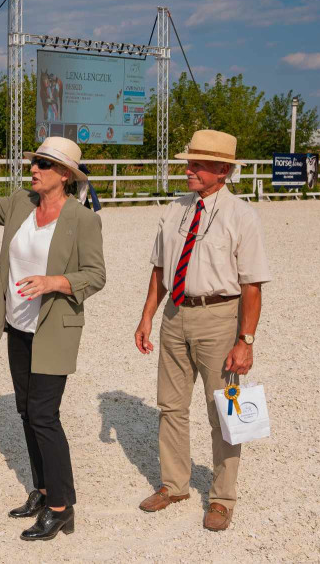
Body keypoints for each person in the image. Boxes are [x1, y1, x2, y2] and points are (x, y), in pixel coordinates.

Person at [0, 136, 105, 541]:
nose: (33, 169)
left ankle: (61, 508)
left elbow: (96, 275)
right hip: (17, 326)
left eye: (44, 165)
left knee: (44, 415)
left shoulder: (82, 219)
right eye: (34, 163)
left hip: (55, 330)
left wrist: (56, 281)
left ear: (65, 176)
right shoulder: (21, 203)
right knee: (24, 410)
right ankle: (45, 489)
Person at [133, 129, 271, 531]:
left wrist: (245, 341)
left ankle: (223, 498)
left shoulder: (242, 216)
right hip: (176, 315)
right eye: (188, 163)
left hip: (219, 318)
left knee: (226, 410)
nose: (188, 170)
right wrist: (148, 316)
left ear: (223, 170)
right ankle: (175, 484)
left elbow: (252, 285)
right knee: (170, 406)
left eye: (197, 164)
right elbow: (159, 268)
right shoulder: (175, 209)